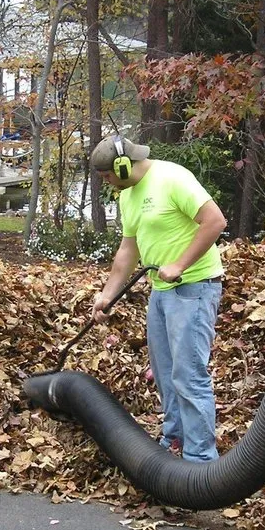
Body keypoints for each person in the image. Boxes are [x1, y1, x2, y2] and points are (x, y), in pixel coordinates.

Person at [90, 135, 227, 462]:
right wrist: (107, 295)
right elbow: (128, 249)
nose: (107, 182)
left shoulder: (172, 178)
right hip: (162, 291)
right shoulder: (128, 196)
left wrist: (180, 264)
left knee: (188, 375)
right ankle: (174, 445)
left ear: (122, 166)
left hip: (195, 286)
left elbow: (215, 221)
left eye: (107, 175)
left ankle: (200, 465)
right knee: (166, 374)